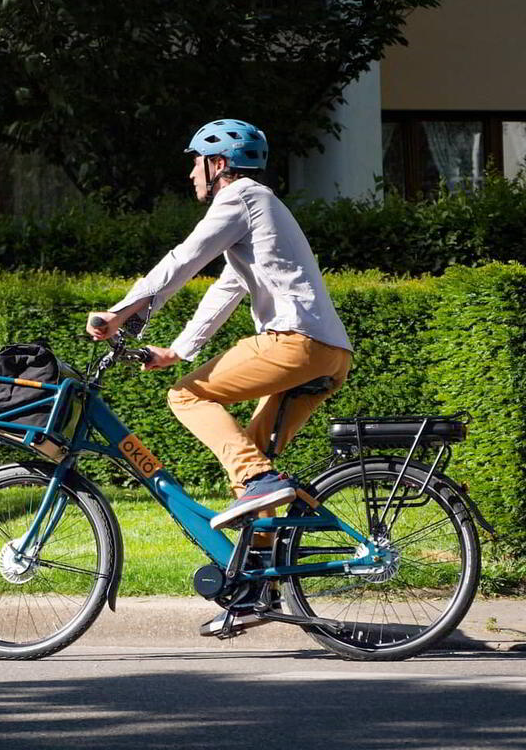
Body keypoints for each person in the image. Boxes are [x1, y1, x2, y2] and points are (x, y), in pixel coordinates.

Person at [86, 119, 352, 628]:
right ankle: (256, 591)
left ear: (219, 165)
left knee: (188, 399)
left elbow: (184, 258)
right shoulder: (261, 212)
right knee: (254, 462)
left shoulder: (241, 198)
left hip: (294, 341)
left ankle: (259, 479)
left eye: (195, 162)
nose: (191, 173)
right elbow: (226, 289)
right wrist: (177, 350)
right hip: (329, 354)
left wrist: (120, 312)